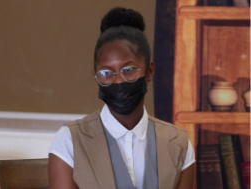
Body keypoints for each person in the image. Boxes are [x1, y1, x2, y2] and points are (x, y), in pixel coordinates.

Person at [48, 7, 195, 189]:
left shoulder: (178, 143)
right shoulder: (70, 140)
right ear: (97, 76)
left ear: (149, 71)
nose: (118, 81)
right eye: (106, 73)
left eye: (129, 70)